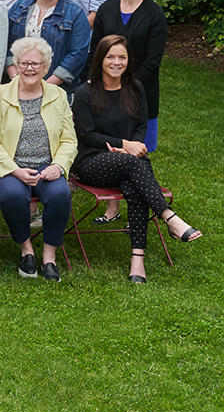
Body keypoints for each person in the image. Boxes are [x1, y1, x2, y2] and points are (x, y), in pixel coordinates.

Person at [70, 35, 201, 281]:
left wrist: (133, 146)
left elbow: (141, 125)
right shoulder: (85, 92)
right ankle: (169, 218)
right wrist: (124, 145)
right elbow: (88, 134)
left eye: (122, 57)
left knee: (135, 185)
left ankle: (137, 260)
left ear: (129, 60)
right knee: (137, 166)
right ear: (100, 60)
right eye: (110, 57)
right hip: (92, 162)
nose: (116, 62)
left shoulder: (136, 88)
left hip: (129, 161)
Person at [0, 36, 76, 281]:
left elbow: (69, 139)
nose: (29, 68)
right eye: (24, 63)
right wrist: (14, 170)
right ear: (16, 65)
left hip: (46, 165)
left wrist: (58, 166)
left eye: (36, 64)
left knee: (60, 194)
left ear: (46, 67)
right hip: (7, 165)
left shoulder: (58, 95)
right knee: (14, 195)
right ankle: (26, 250)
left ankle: (49, 256)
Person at [90, 0, 168, 156]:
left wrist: (125, 87)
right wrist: (95, 83)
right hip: (104, 92)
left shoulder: (155, 14)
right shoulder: (106, 9)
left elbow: (152, 62)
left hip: (140, 92)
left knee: (138, 153)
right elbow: (95, 53)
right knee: (105, 151)